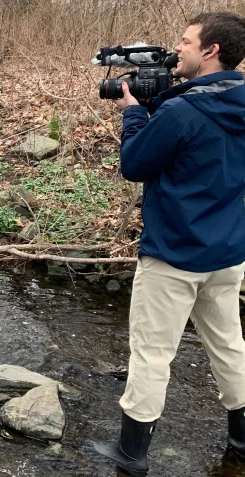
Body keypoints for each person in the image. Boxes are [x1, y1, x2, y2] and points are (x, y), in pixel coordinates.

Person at [93, 12, 245, 476]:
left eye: (186, 41)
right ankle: (241, 438)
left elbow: (136, 164)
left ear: (211, 50)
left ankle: (131, 452)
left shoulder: (181, 110)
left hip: (174, 253)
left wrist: (135, 112)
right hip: (227, 251)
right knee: (228, 345)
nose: (177, 48)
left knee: (152, 352)